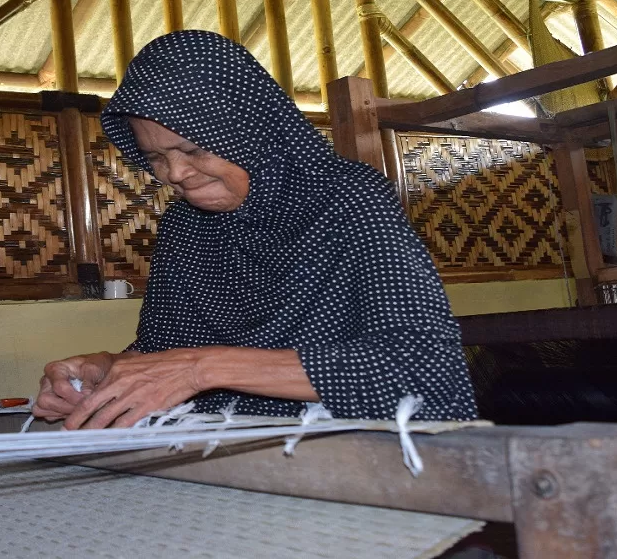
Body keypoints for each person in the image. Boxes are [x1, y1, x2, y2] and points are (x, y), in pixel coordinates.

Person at [34, 30, 476, 430]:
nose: (175, 174)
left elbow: (423, 368)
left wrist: (201, 368)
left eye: (190, 149)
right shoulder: (186, 227)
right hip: (228, 456)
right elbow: (165, 350)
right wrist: (108, 370)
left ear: (248, 131)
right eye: (156, 158)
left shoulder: (346, 197)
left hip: (364, 451)